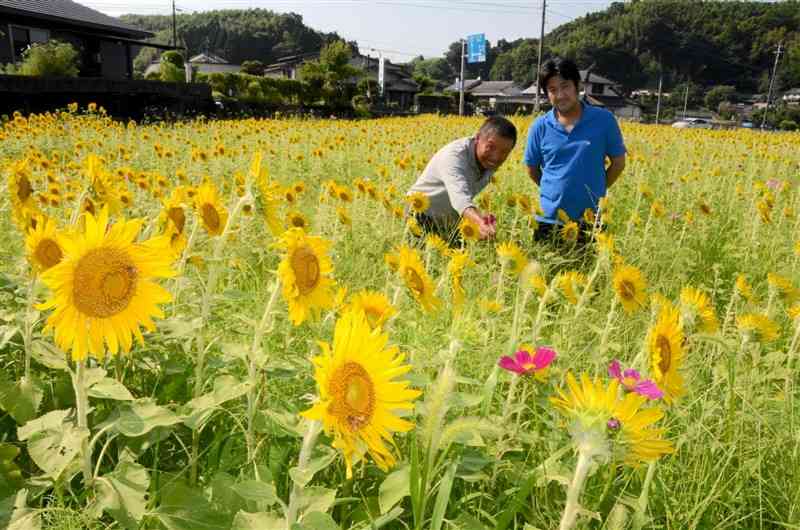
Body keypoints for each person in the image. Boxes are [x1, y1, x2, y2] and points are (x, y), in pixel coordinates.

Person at [524, 58, 626, 243]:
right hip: (548, 219)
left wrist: (596, 190)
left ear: (577, 86)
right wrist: (554, 191)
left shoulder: (604, 120)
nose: (560, 95)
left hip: (590, 219)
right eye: (552, 90)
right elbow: (532, 169)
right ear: (546, 94)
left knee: (587, 270)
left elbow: (618, 163)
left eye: (565, 86)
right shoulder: (539, 126)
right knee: (545, 270)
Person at [406, 116, 517, 243]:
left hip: (448, 219)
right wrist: (479, 222)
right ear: (478, 138)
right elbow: (460, 198)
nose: (496, 156)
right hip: (420, 213)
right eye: (490, 147)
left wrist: (482, 219)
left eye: (504, 152)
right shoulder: (454, 157)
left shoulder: (488, 163)